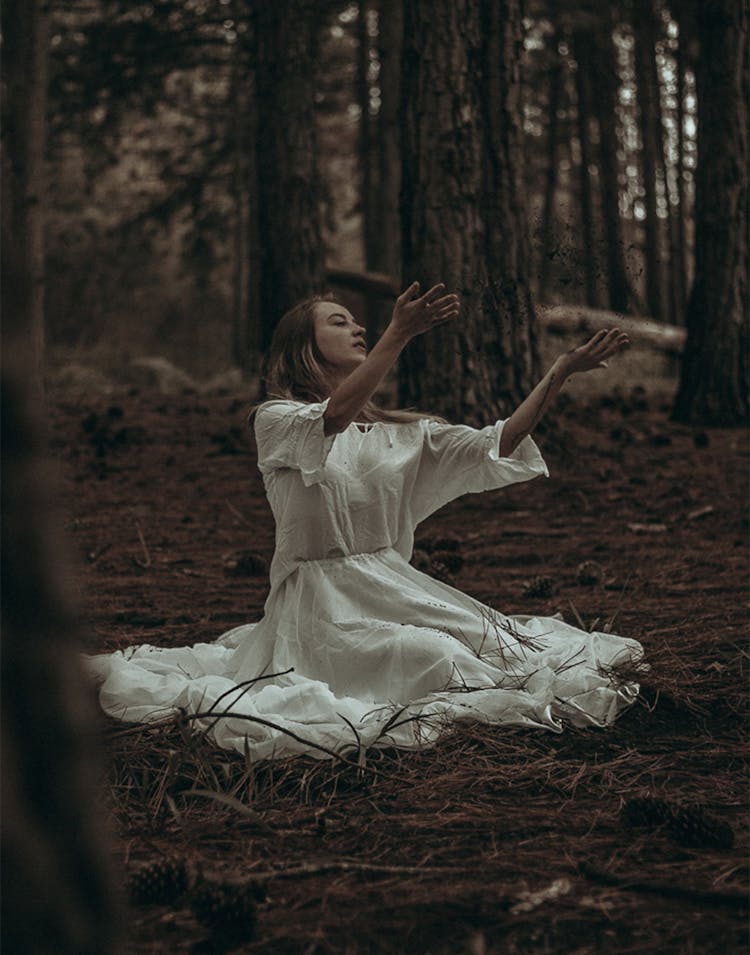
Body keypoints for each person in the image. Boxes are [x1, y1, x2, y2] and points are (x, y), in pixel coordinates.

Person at [89, 282, 645, 760]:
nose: (358, 328)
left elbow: (496, 445)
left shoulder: (402, 435)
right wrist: (398, 334)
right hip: (318, 603)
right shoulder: (277, 421)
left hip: (393, 585)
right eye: (339, 321)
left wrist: (561, 372)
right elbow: (331, 416)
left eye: (361, 323)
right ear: (304, 347)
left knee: (501, 650)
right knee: (434, 656)